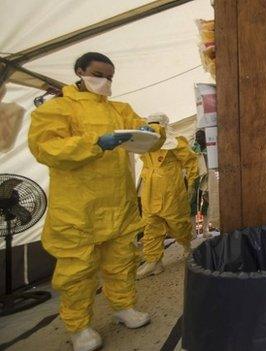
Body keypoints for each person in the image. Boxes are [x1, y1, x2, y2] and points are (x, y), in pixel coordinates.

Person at [28, 52, 165, 351]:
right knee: (77, 273)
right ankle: (80, 328)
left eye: (110, 77)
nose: (105, 82)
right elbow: (48, 149)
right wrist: (95, 143)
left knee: (122, 262)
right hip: (78, 209)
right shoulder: (56, 110)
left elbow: (146, 129)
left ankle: (123, 307)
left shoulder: (119, 109)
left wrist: (153, 130)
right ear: (80, 71)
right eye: (99, 74)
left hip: (118, 204)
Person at [136, 113, 198, 279]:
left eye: (156, 124)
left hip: (170, 190)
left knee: (178, 223)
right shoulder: (144, 144)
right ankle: (153, 261)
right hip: (149, 190)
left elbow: (191, 161)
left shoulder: (175, 142)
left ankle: (186, 245)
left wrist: (193, 182)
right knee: (150, 225)